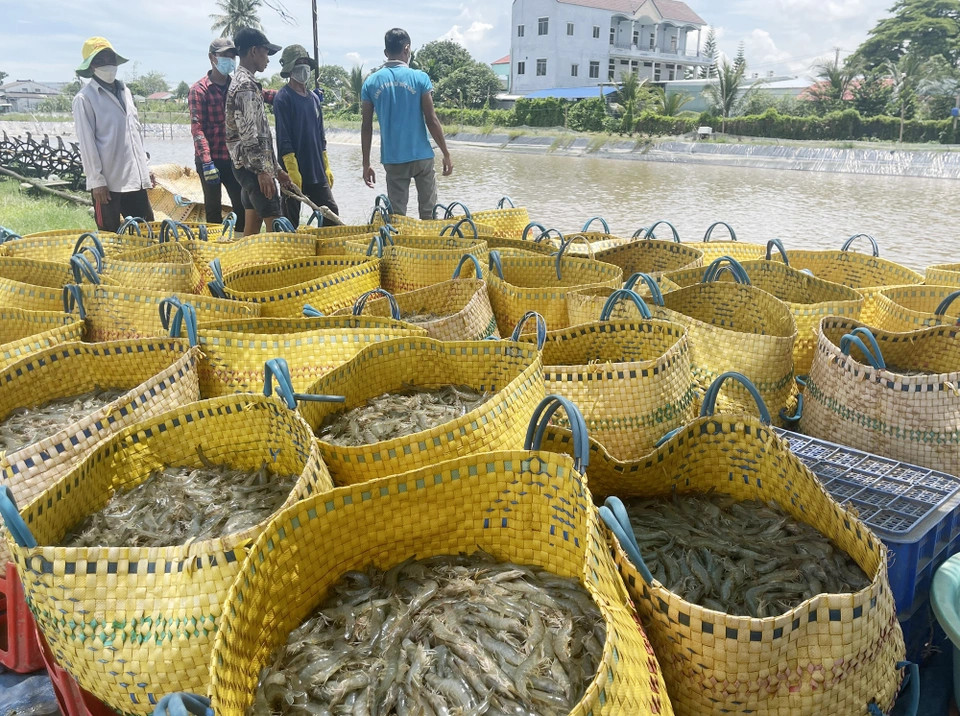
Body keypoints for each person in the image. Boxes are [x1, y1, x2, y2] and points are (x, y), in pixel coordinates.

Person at [361, 28, 452, 219]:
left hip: (393, 159)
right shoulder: (419, 78)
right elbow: (432, 120)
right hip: (422, 157)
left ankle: (399, 247)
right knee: (429, 213)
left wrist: (366, 163)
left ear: (386, 53)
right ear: (407, 49)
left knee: (398, 217)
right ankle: (429, 246)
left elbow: (366, 126)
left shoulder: (371, 83)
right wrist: (446, 153)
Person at [72, 37, 155, 232]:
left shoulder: (126, 92)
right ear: (91, 66)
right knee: (109, 236)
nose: (107, 64)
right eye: (99, 60)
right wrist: (96, 181)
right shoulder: (85, 98)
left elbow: (135, 134)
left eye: (110, 58)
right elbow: (87, 144)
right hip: (108, 185)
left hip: (135, 181)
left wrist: (145, 167)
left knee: (146, 232)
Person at [225, 27, 292, 234]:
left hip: (249, 167)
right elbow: (248, 135)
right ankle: (275, 265)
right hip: (253, 169)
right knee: (276, 227)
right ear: (254, 51)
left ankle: (245, 263)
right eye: (266, 52)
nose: (268, 59)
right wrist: (263, 171)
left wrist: (277, 169)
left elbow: (261, 136)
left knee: (252, 229)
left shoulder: (249, 83)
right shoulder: (245, 85)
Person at [188, 38, 248, 234]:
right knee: (213, 208)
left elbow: (260, 93)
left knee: (241, 205)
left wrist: (287, 93)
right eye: (224, 56)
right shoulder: (199, 90)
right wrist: (206, 161)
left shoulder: (236, 86)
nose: (229, 60)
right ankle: (214, 246)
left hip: (232, 159)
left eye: (232, 56)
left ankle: (239, 242)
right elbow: (197, 128)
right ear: (212, 58)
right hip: (210, 160)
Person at [274, 44, 338, 229]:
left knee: (331, 214)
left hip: (316, 170)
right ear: (290, 69)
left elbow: (321, 135)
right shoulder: (283, 98)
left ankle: (324, 253)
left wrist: (326, 165)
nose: (303, 67)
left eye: (305, 63)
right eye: (298, 63)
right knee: (290, 221)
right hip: (293, 171)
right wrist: (292, 171)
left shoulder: (314, 99)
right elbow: (283, 138)